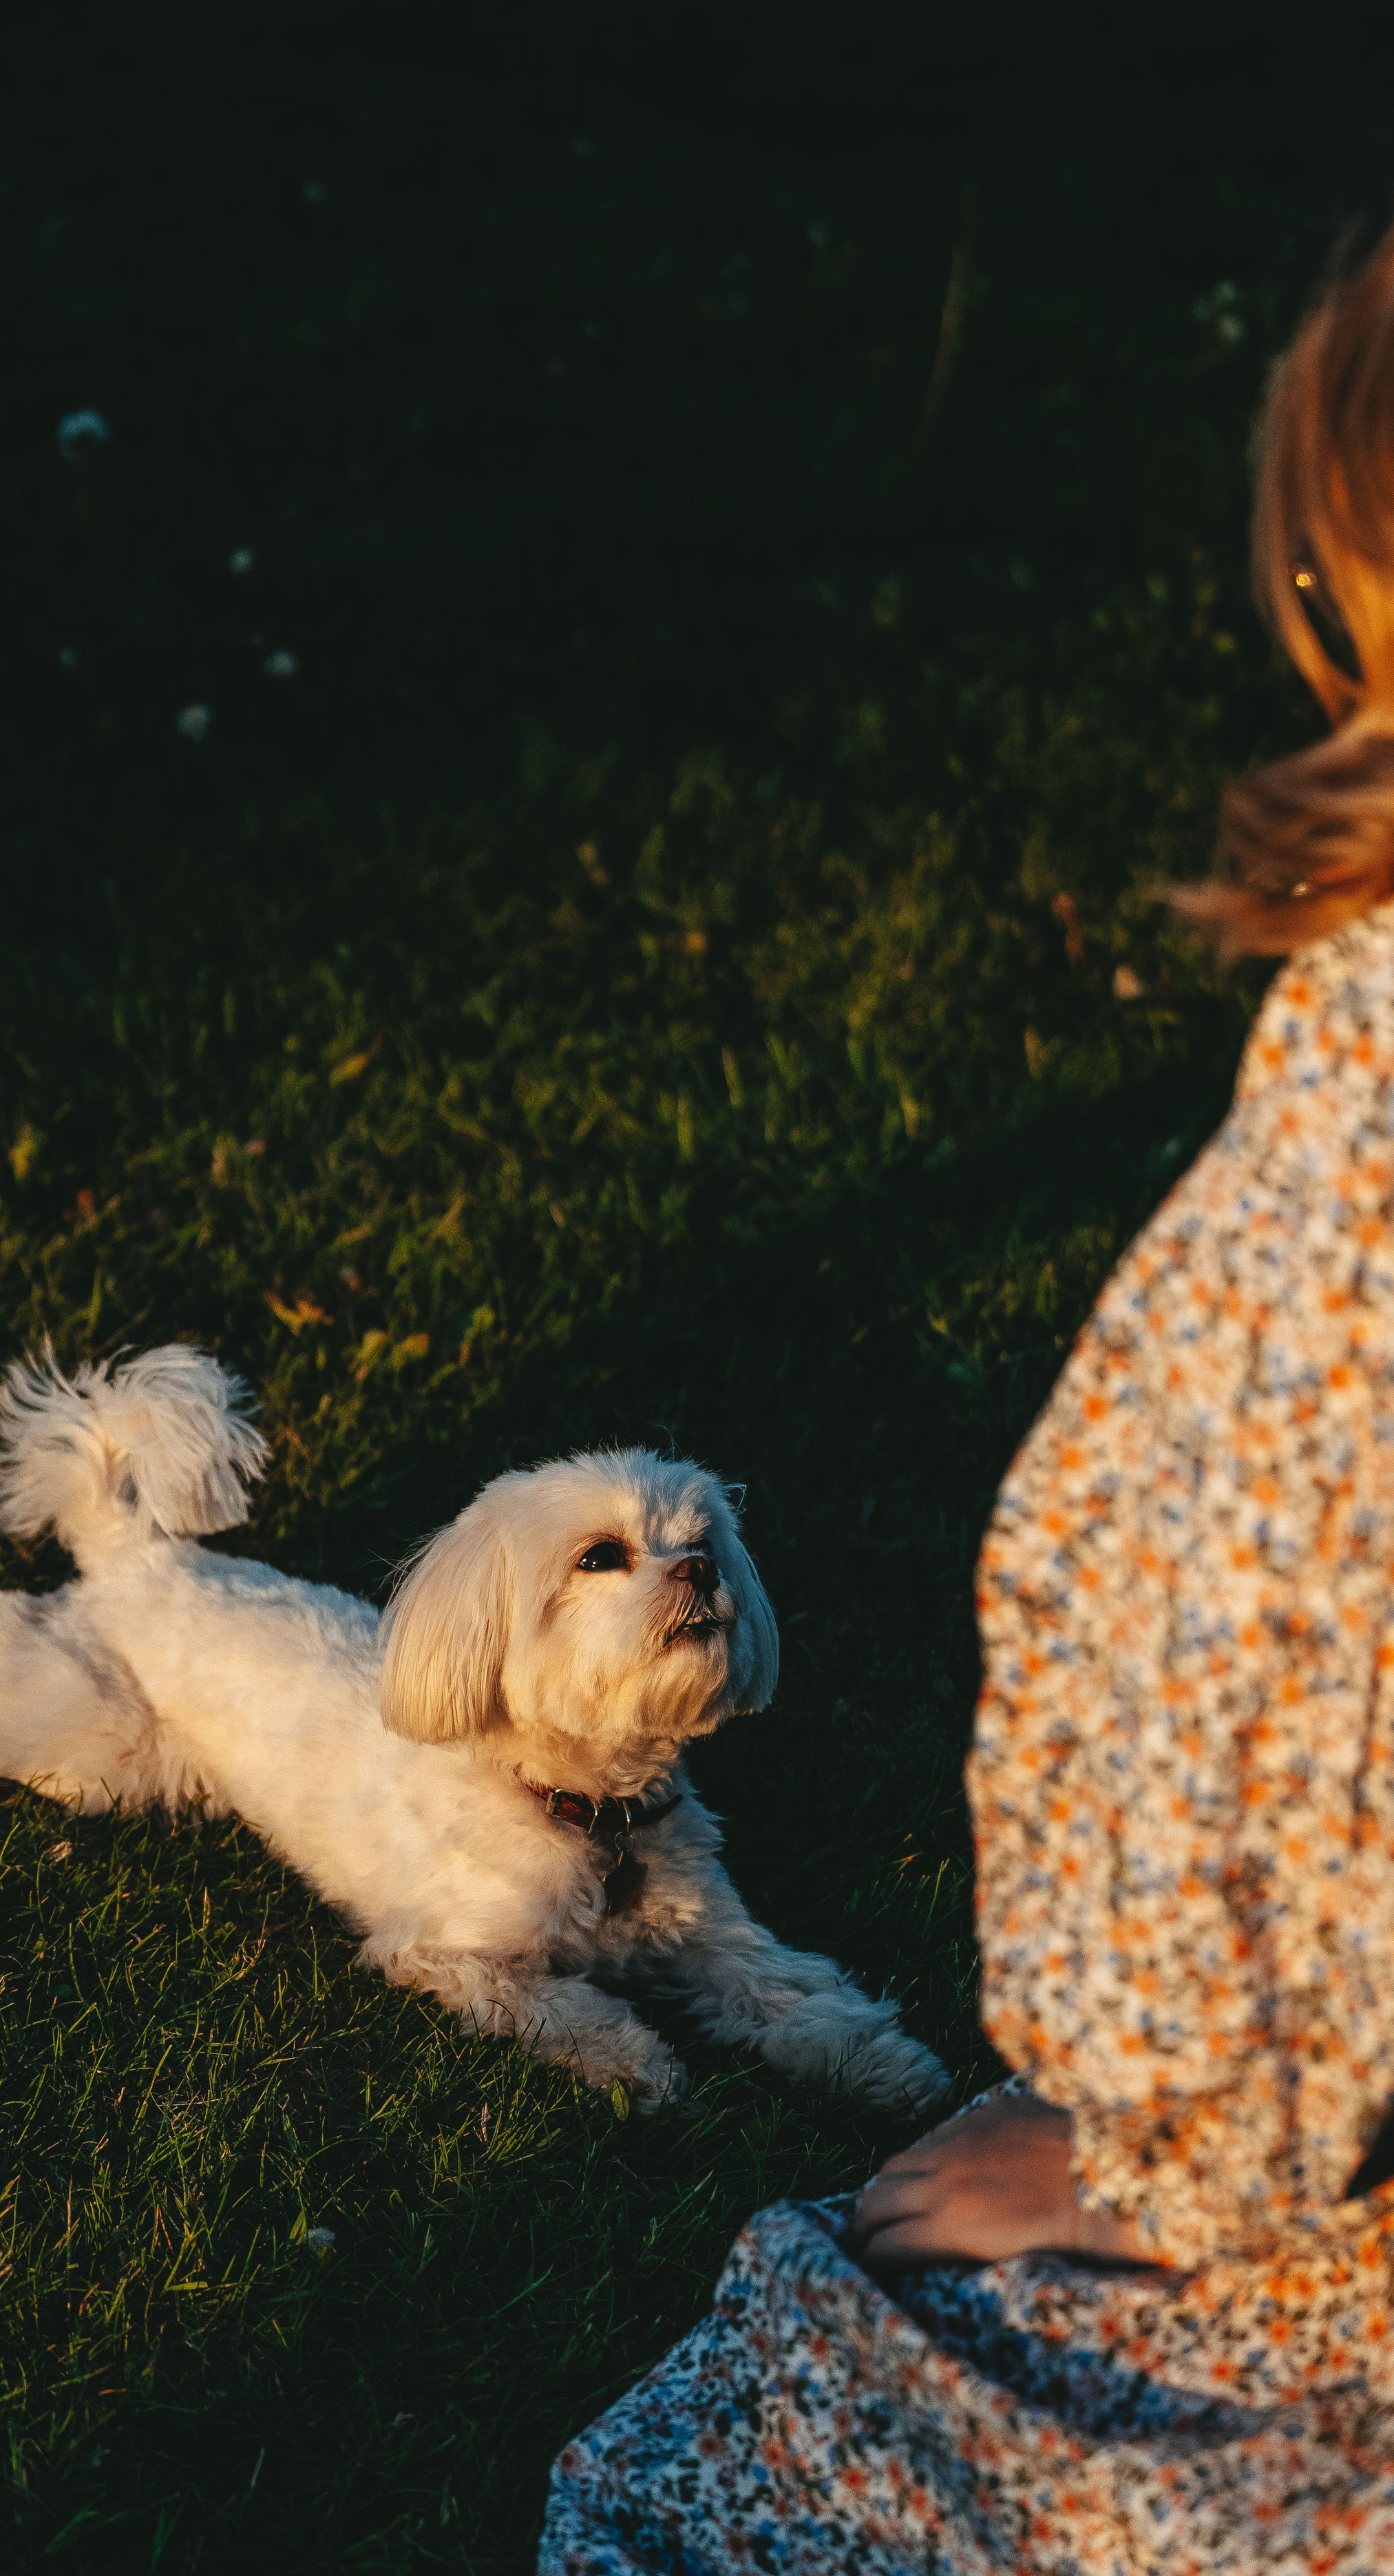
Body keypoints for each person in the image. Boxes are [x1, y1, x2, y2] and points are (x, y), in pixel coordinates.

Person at [538, 213, 1394, 2575]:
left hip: (1292, 2114)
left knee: (745, 2462)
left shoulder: (1369, 1128)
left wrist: (1164, 2137)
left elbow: (1294, 1679)